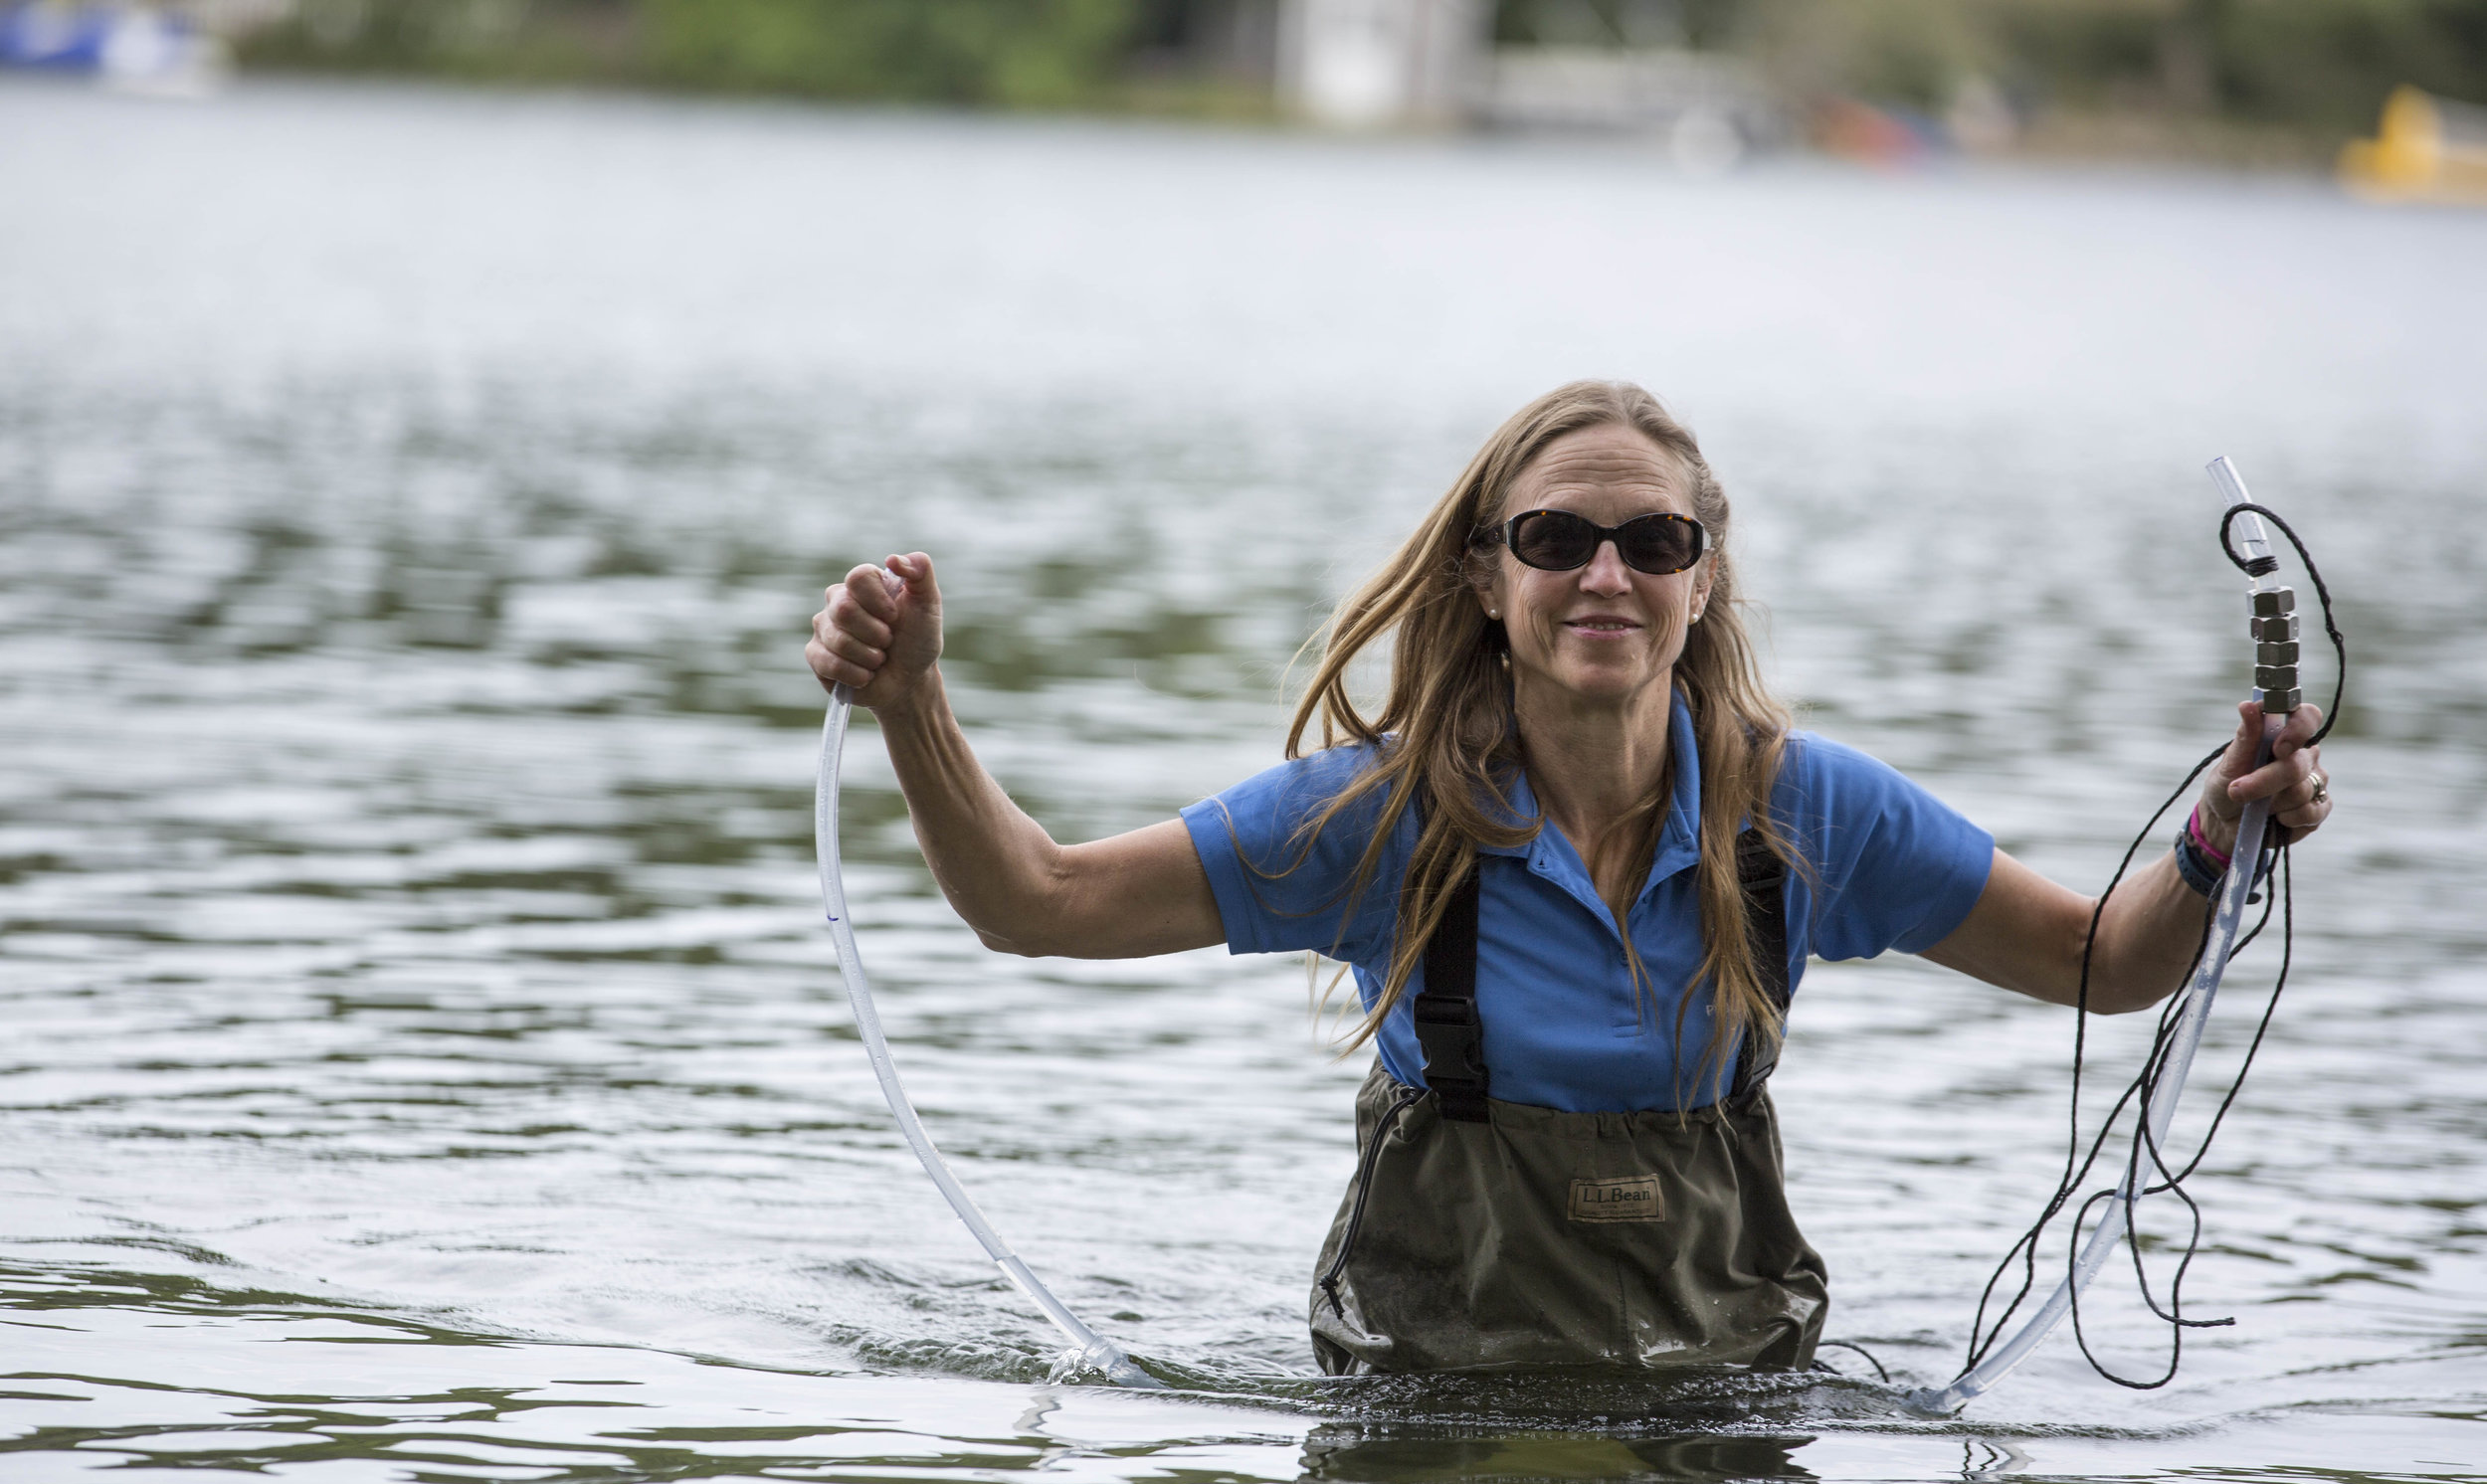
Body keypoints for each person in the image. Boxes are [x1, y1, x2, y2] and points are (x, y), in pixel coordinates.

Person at [804, 381, 2333, 1377]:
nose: (1608, 574)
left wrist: (2219, 833)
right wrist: (914, 704)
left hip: (1720, 1402)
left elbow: (2102, 964)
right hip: (1428, 1402)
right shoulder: (1376, 820)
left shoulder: (1809, 811)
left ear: (1701, 575)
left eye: (1652, 540)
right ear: (1488, 575)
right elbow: (1039, 902)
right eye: (1558, 538)